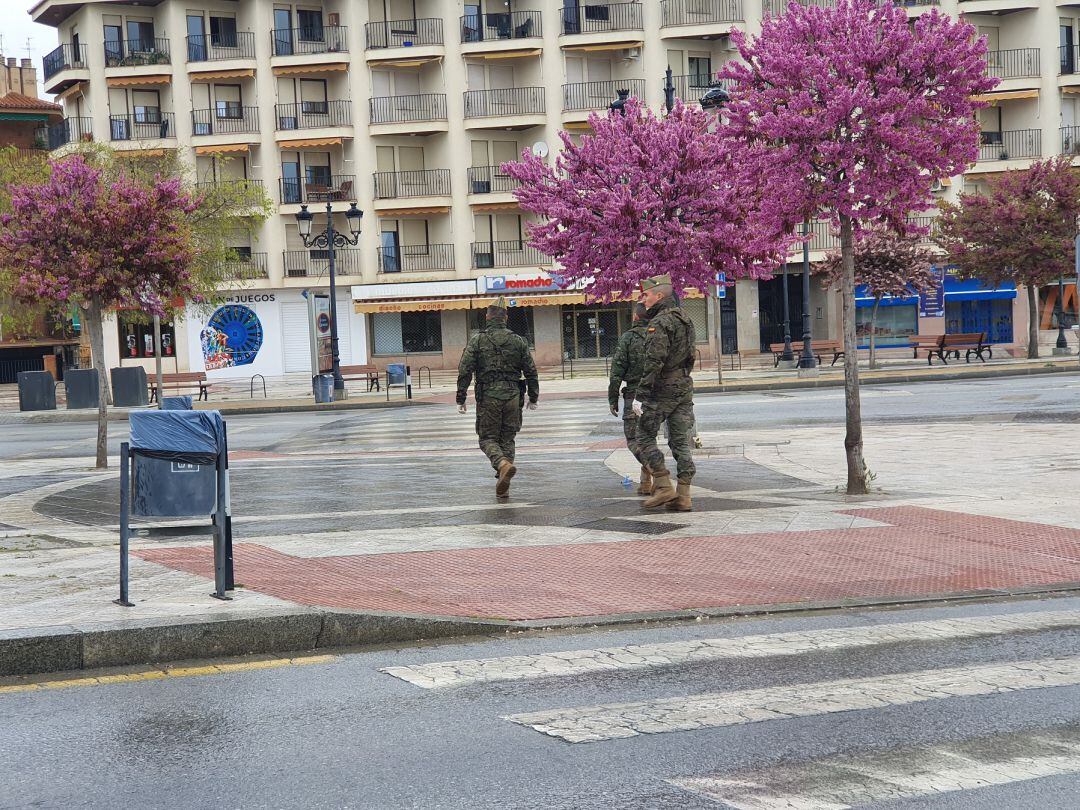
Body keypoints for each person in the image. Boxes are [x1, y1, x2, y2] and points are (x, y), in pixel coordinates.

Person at [456, 297, 539, 499]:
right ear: (506, 318)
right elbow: (531, 371)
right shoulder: (518, 341)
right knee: (507, 439)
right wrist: (533, 397)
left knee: (487, 439)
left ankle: (502, 465)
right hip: (513, 397)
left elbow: (465, 370)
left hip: (489, 397)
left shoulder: (477, 340)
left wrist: (461, 397)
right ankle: (504, 484)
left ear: (487, 317)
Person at [634, 274, 697, 511]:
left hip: (662, 390)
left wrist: (640, 395)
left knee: (644, 436)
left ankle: (662, 485)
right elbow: (691, 355)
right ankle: (683, 495)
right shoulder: (686, 320)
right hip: (683, 387)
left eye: (646, 295)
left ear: (659, 295)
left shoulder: (660, 323)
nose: (644, 299)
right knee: (680, 442)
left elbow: (654, 361)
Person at [608, 303, 652, 495]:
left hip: (634, 393)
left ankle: (654, 470)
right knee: (649, 439)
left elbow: (617, 371)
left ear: (635, 317)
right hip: (655, 394)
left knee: (633, 439)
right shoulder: (657, 336)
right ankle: (645, 482)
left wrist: (612, 397)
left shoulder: (628, 338)